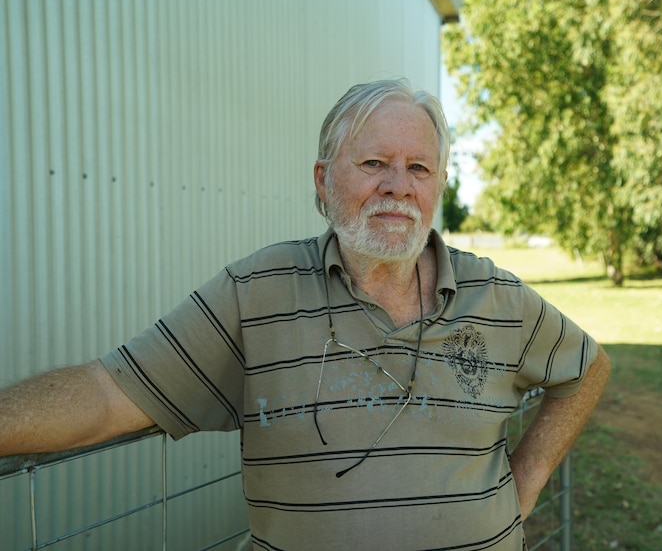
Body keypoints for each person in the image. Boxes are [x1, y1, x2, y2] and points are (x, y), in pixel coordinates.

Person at [0, 78, 611, 550]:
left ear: (438, 186)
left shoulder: (497, 296)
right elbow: (110, 394)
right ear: (323, 181)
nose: (399, 185)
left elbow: (587, 368)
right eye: (374, 163)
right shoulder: (254, 292)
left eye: (419, 168)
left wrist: (522, 489)